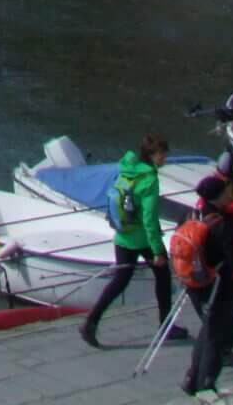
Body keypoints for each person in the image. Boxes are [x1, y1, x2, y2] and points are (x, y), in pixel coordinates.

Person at [79, 135, 180, 348]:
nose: (165, 158)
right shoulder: (149, 180)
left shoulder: (127, 170)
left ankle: (91, 321)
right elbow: (150, 220)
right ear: (153, 156)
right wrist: (158, 251)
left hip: (122, 235)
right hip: (143, 237)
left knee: (120, 281)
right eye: (163, 154)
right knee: (163, 276)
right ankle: (165, 326)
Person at [173, 175, 233, 396]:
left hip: (193, 281)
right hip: (217, 286)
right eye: (225, 192)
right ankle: (206, 383)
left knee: (207, 330)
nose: (229, 195)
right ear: (218, 196)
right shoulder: (222, 225)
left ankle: (192, 377)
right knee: (216, 336)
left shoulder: (190, 215)